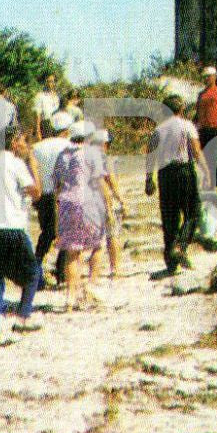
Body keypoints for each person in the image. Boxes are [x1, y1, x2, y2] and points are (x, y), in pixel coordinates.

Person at [0, 128, 43, 347]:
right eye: (23, 141)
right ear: (14, 142)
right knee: (33, 273)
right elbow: (36, 192)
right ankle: (23, 317)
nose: (25, 146)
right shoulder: (15, 164)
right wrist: (33, 165)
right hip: (12, 227)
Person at [55, 121, 122, 308]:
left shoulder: (62, 156)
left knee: (72, 252)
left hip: (67, 203)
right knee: (97, 245)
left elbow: (58, 186)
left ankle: (70, 296)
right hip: (90, 203)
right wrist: (109, 208)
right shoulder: (93, 154)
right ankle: (92, 285)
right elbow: (100, 183)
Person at [145, 94, 205, 275]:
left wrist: (149, 179)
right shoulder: (187, 125)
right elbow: (195, 150)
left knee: (169, 218)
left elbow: (150, 156)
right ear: (181, 109)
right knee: (192, 213)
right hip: (183, 171)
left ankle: (171, 263)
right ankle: (181, 246)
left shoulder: (158, 130)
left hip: (164, 175)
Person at [32, 111, 75, 288]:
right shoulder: (70, 146)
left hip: (44, 195)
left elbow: (33, 172)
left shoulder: (37, 147)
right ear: (66, 130)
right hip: (64, 194)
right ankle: (62, 273)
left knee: (46, 234)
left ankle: (35, 269)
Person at [85, 128, 125, 283]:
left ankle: (91, 273)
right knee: (113, 234)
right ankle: (115, 268)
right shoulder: (105, 159)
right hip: (105, 199)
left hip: (90, 201)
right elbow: (112, 182)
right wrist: (121, 199)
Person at [193, 66, 217, 193]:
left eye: (208, 76)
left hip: (216, 128)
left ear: (214, 77)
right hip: (203, 129)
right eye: (205, 77)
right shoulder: (201, 94)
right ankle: (209, 183)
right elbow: (197, 113)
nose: (206, 79)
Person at [32, 73, 62, 141]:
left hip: (57, 126)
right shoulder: (40, 96)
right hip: (46, 125)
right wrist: (38, 132)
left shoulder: (58, 97)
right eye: (48, 81)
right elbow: (37, 115)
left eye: (52, 81)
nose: (50, 84)